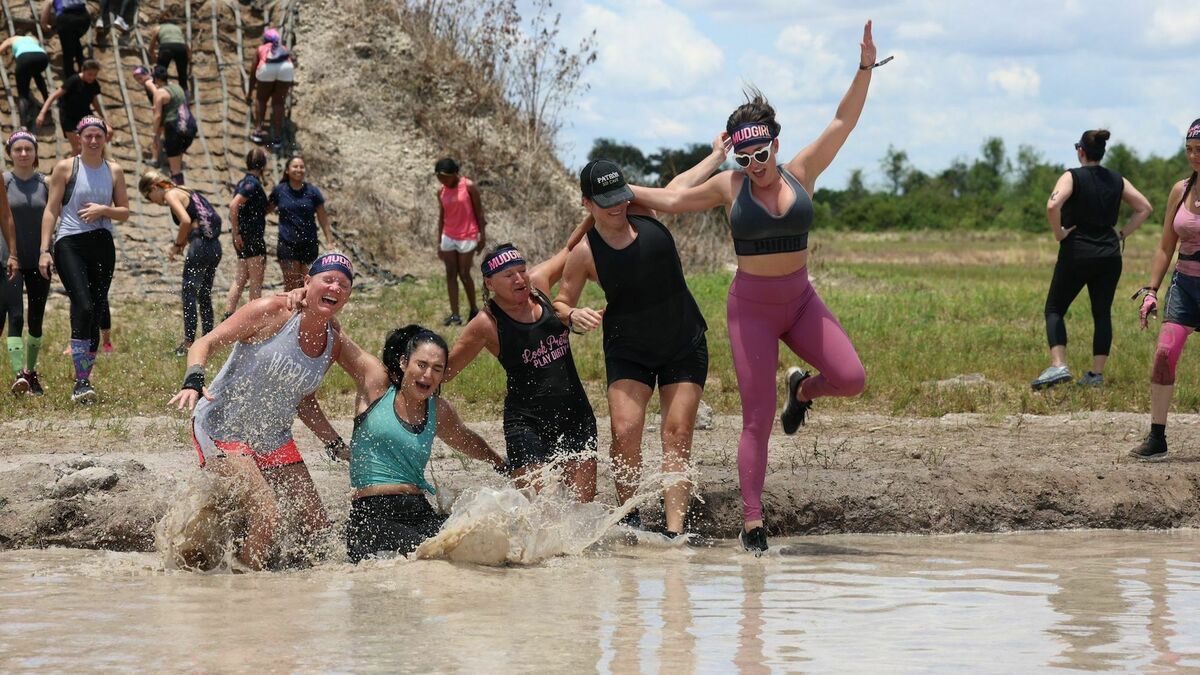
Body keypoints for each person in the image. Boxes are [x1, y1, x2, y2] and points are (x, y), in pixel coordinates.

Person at [628, 22, 886, 553]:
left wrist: (863, 68)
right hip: (752, 312)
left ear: (774, 143)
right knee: (757, 419)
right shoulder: (730, 185)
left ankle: (804, 390)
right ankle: (752, 522)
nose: (755, 166)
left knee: (852, 377)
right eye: (744, 159)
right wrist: (620, 187)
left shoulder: (801, 171)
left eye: (760, 155)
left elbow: (844, 120)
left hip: (801, 301)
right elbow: (674, 201)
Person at [552, 159, 712, 540]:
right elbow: (558, 303)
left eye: (621, 196)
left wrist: (716, 158)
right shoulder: (585, 253)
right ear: (586, 203)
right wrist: (573, 314)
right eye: (606, 200)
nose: (618, 205)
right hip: (629, 348)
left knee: (676, 433)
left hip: (682, 340)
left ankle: (675, 533)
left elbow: (680, 186)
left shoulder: (647, 212)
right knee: (624, 432)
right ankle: (632, 519)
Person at [168, 253, 357, 570]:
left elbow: (304, 399)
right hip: (222, 427)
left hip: (272, 437)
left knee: (318, 527)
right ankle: (244, 590)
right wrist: (193, 379)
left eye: (344, 284)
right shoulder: (270, 310)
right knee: (268, 514)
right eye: (329, 279)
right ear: (307, 283)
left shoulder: (331, 341)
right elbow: (206, 342)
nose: (335, 287)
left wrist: (336, 444)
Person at [445, 219, 597, 500]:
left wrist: (594, 214)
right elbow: (446, 371)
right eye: (509, 275)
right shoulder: (485, 323)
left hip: (575, 414)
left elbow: (570, 248)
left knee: (581, 512)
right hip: (526, 422)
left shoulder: (540, 287)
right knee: (536, 513)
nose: (520, 279)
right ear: (489, 283)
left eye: (522, 271)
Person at [342, 325, 507, 562]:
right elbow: (340, 343)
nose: (428, 375)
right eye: (421, 365)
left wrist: (498, 461)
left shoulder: (438, 410)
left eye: (437, 369)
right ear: (403, 362)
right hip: (371, 515)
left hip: (418, 510)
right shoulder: (377, 390)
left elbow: (466, 439)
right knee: (430, 559)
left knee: (481, 545)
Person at [1032, 130, 1153, 390]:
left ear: (1080, 151)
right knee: (1101, 313)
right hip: (1109, 255)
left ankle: (1058, 366)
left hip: (1076, 252)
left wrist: (1059, 233)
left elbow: (1052, 206)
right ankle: (1096, 375)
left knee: (1054, 309)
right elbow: (1145, 208)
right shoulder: (1116, 179)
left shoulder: (1072, 176)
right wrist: (1122, 233)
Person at [39, 117, 129, 403]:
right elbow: (51, 210)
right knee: (84, 304)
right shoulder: (66, 167)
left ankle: (84, 379)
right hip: (69, 242)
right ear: (79, 138)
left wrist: (105, 209)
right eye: (87, 136)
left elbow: (124, 211)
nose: (92, 140)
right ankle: (80, 380)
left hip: (102, 242)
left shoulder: (113, 169)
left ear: (105, 138)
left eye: (97, 136)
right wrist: (44, 249)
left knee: (97, 306)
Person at [1130, 119, 1200, 461]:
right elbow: (1164, 247)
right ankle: (1157, 437)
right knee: (1163, 355)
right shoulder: (1181, 190)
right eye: (1189, 150)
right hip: (1185, 286)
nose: (1194, 156)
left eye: (1199, 150)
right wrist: (1152, 289)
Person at [138, 170, 222, 356]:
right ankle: (209, 341)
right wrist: (185, 242)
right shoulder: (184, 189)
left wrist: (176, 245)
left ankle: (189, 344)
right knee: (205, 295)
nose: (154, 202)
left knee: (189, 294)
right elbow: (197, 219)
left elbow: (184, 220)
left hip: (199, 246)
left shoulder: (170, 194)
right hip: (214, 246)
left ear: (153, 188)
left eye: (149, 198)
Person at [4, 130, 51, 396]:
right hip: (9, 259)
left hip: (40, 259)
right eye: (18, 149)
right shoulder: (4, 181)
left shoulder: (45, 182)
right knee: (16, 316)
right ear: (10, 153)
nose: (23, 154)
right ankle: (16, 376)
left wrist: (48, 251)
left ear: (35, 153)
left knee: (35, 319)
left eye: (28, 149)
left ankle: (30, 373)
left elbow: (54, 215)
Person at [435, 158, 486, 326]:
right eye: (439, 177)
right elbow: (442, 216)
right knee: (451, 273)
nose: (442, 181)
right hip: (449, 235)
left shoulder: (469, 186)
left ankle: (473, 309)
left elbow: (479, 212)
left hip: (468, 234)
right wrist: (439, 242)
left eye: (445, 177)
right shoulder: (441, 191)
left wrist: (482, 235)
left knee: (464, 273)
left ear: (454, 174)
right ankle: (455, 315)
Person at [269, 156, 333, 290]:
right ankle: (290, 312)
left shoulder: (313, 192)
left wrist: (329, 241)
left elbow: (323, 218)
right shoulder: (279, 191)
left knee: (307, 285)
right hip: (287, 245)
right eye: (295, 166)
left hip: (309, 244)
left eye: (302, 167)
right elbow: (264, 211)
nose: (299, 169)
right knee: (291, 286)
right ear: (287, 170)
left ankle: (305, 312)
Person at [224, 148, 269, 318]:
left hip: (243, 237)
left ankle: (228, 314)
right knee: (256, 281)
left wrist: (237, 233)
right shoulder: (252, 184)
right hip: (252, 236)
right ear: (263, 164)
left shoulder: (243, 182)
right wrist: (236, 232)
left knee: (241, 278)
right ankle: (253, 318)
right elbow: (234, 205)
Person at [36, 59, 105, 157]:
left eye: (95, 75)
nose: (92, 77)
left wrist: (102, 116)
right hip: (69, 117)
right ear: (83, 70)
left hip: (85, 116)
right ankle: (70, 168)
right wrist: (42, 113)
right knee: (78, 148)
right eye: (90, 74)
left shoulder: (94, 84)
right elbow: (54, 96)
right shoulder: (73, 80)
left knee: (107, 132)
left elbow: (94, 101)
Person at [144, 65, 196, 185]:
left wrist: (154, 133)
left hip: (174, 129)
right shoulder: (178, 87)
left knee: (175, 170)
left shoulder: (159, 93)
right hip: (191, 126)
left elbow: (157, 116)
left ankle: (178, 192)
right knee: (176, 157)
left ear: (156, 79)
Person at [247, 28, 294, 150]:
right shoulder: (284, 49)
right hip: (286, 69)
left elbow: (253, 73)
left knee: (261, 99)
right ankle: (277, 138)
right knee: (279, 102)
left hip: (267, 68)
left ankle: (258, 131)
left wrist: (249, 92)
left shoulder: (261, 49)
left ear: (265, 40)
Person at [0, 35, 50, 129]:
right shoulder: (32, 38)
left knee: (23, 94)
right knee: (36, 73)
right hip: (42, 58)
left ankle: (23, 125)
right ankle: (47, 100)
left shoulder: (12, 39)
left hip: (24, 58)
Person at [40, 0, 90, 80]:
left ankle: (71, 78)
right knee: (75, 39)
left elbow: (45, 16)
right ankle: (83, 70)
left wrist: (45, 25)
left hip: (67, 20)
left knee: (68, 53)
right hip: (84, 19)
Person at [149, 16, 190, 96]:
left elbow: (151, 46)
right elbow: (185, 44)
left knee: (160, 72)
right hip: (181, 48)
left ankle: (160, 93)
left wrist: (154, 58)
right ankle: (185, 95)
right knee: (182, 75)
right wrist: (188, 57)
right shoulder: (177, 28)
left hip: (166, 48)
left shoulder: (158, 28)